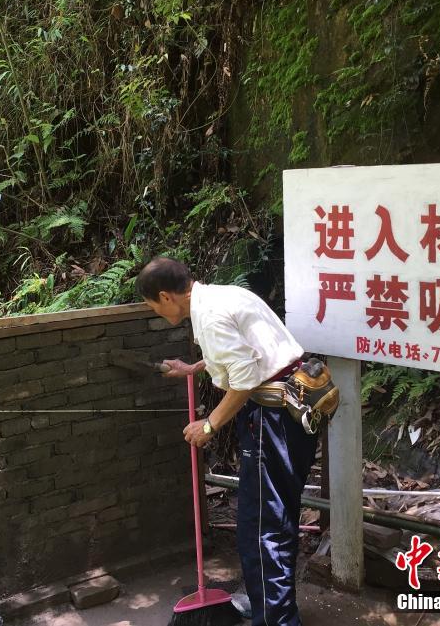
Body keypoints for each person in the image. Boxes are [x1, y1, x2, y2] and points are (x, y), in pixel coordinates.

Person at [136, 256, 319, 626]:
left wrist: (209, 425)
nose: (155, 312)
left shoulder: (210, 316)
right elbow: (250, 349)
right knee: (273, 519)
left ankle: (277, 620)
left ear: (166, 296)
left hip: (272, 418)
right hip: (293, 408)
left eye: (152, 305)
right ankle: (271, 607)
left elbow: (246, 377)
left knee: (262, 529)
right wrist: (196, 367)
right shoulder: (223, 296)